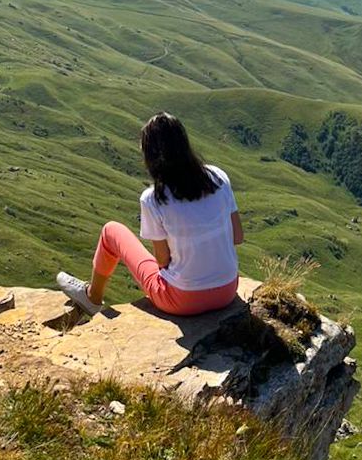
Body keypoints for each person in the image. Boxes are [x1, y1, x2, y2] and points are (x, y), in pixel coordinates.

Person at [57, 112, 243, 318]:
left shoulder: (154, 198)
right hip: (227, 290)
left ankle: (92, 297)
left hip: (181, 301)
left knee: (112, 231)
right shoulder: (218, 177)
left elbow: (162, 261)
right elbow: (237, 236)